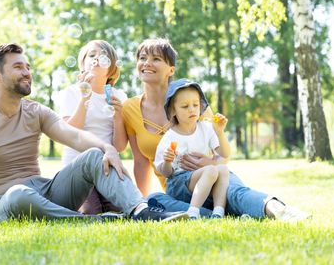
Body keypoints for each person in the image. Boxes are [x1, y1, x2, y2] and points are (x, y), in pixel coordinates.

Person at [0, 43, 187, 223]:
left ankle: (139, 210)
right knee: (18, 194)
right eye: (18, 67)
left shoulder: (37, 111)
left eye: (28, 67)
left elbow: (73, 135)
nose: (27, 72)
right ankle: (88, 221)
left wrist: (107, 148)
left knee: (95, 154)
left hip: (44, 192)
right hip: (6, 203)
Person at [122, 38, 311, 221]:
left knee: (235, 192)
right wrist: (142, 206)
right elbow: (140, 162)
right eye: (142, 58)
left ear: (171, 69)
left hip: (213, 177)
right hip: (180, 190)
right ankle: (214, 214)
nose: (147, 63)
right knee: (154, 200)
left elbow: (222, 156)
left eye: (156, 58)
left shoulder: (192, 102)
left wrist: (209, 162)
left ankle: (282, 211)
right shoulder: (129, 108)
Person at [58, 40, 127, 214]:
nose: (96, 59)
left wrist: (119, 116)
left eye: (102, 56)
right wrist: (85, 98)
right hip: (77, 166)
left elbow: (119, 146)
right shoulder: (72, 92)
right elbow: (69, 134)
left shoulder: (119, 96)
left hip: (107, 166)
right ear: (82, 64)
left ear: (111, 68)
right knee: (90, 211)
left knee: (120, 210)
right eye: (91, 55)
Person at [155, 79, 230, 219]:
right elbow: (166, 173)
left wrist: (219, 132)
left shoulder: (207, 129)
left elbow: (225, 154)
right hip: (178, 184)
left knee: (223, 169)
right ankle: (193, 212)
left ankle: (218, 212)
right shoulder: (170, 137)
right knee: (211, 169)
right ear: (173, 110)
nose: (192, 109)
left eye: (195, 104)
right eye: (184, 106)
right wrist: (167, 161)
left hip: (203, 180)